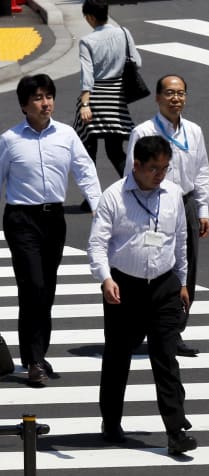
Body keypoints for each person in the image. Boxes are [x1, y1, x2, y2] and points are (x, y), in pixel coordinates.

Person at [87, 136, 197, 455]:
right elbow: (97, 244)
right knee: (118, 356)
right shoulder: (114, 197)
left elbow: (180, 241)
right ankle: (111, 419)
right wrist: (105, 279)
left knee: (165, 358)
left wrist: (183, 282)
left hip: (163, 285)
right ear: (136, 165)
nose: (160, 174)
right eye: (153, 169)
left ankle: (176, 430)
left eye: (165, 168)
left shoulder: (173, 194)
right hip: (124, 286)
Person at [0, 74, 101, 386]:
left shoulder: (67, 135)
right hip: (21, 220)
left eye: (48, 96)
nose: (45, 103)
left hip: (54, 219)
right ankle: (32, 362)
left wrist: (99, 207)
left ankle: (37, 356)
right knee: (33, 287)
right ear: (24, 105)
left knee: (46, 292)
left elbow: (85, 171)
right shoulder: (10, 139)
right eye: (38, 98)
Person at [125, 75, 209, 357]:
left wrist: (203, 209)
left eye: (181, 93)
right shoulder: (144, 131)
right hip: (153, 202)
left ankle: (173, 332)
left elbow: (201, 171)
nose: (176, 99)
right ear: (158, 97)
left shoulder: (194, 131)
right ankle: (137, 328)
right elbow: (131, 174)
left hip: (184, 203)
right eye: (170, 93)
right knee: (149, 266)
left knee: (187, 267)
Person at [74, 0, 141, 189]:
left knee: (88, 150)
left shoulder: (87, 41)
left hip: (95, 99)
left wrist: (85, 104)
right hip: (116, 99)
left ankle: (91, 197)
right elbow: (137, 61)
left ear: (90, 17)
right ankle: (132, 185)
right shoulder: (124, 33)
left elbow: (87, 76)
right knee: (114, 151)